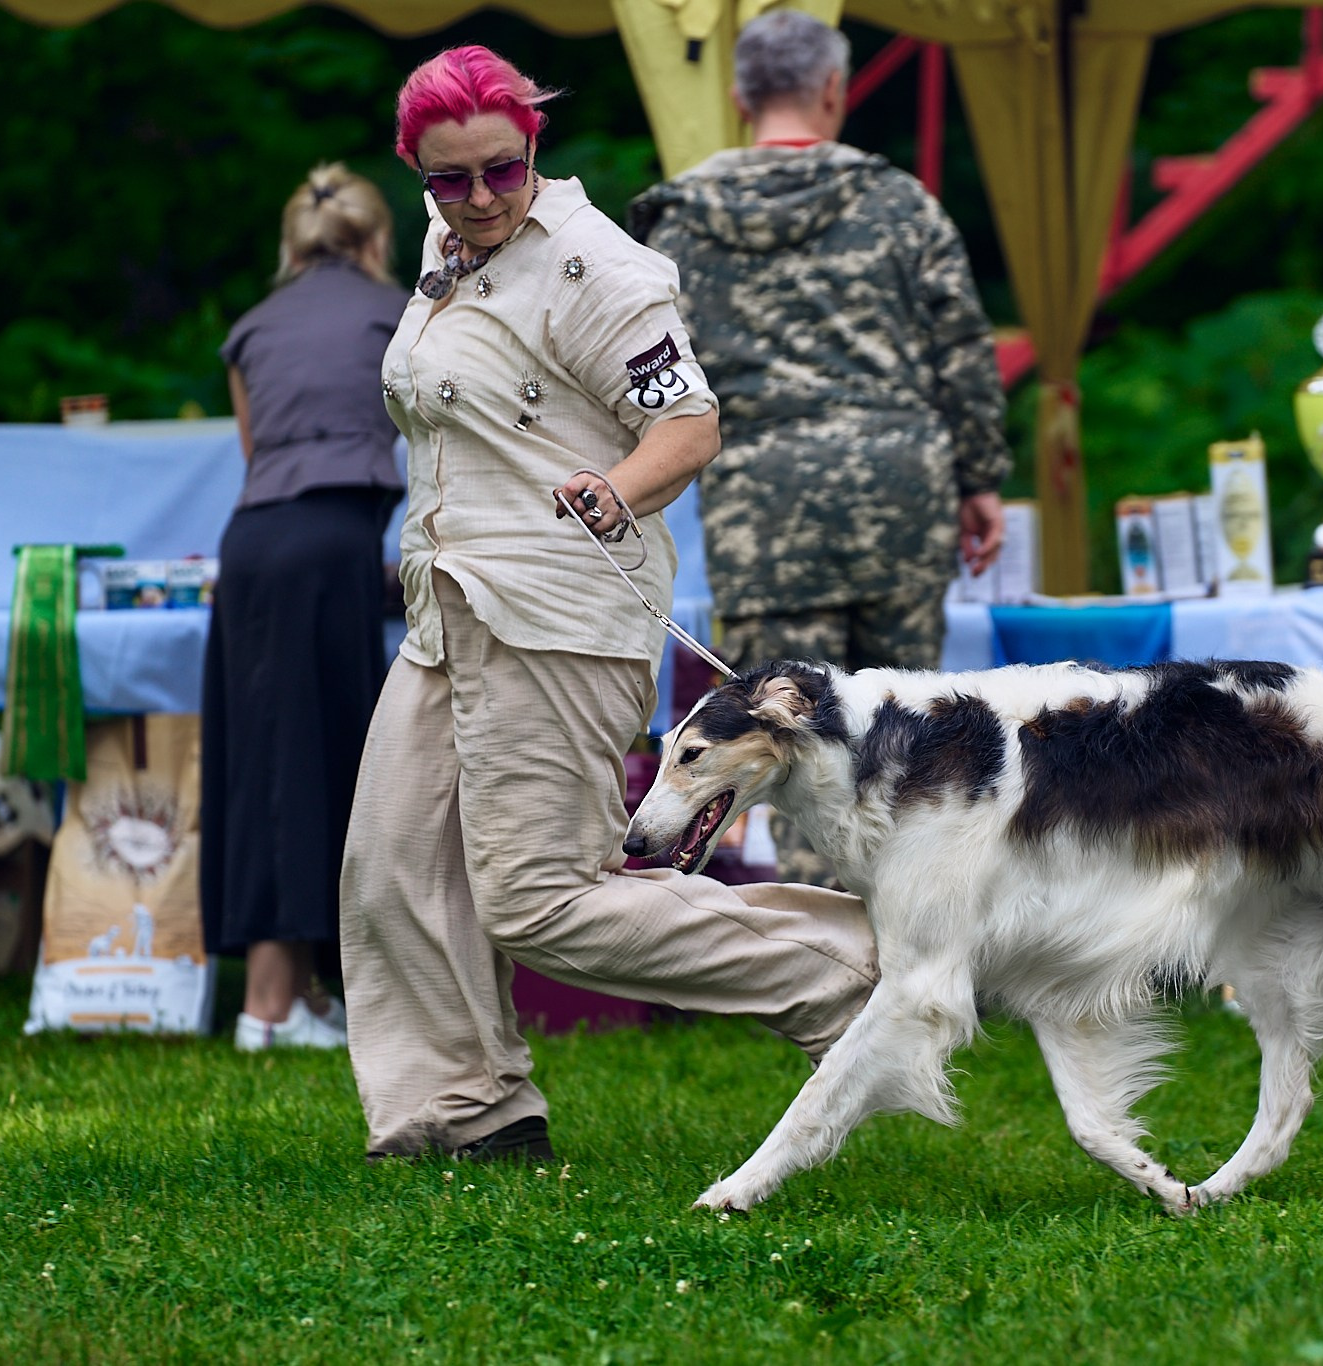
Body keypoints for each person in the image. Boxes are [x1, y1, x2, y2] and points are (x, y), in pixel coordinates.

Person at [340, 46, 878, 1164]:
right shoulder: (450, 254)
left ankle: (850, 975)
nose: (482, 198)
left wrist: (616, 490)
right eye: (451, 179)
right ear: (416, 172)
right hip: (450, 607)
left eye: (504, 169)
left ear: (534, 150)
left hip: (555, 616)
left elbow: (687, 426)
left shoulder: (594, 265)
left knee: (538, 903)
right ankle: (469, 1109)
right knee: (394, 862)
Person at [628, 10, 1011, 885]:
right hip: (899, 496)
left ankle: (822, 972)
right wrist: (981, 480)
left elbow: (643, 367)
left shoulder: (677, 221)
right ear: (835, 90)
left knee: (787, 751)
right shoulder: (900, 203)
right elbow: (963, 352)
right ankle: (913, 953)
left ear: (737, 97)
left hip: (763, 510)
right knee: (911, 745)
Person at [203, 164, 406, 1052]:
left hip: (249, 550)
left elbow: (260, 462)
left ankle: (279, 998)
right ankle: (281, 1010)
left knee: (262, 766)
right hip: (334, 547)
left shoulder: (250, 329)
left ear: (290, 249)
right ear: (374, 243)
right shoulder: (398, 311)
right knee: (332, 768)